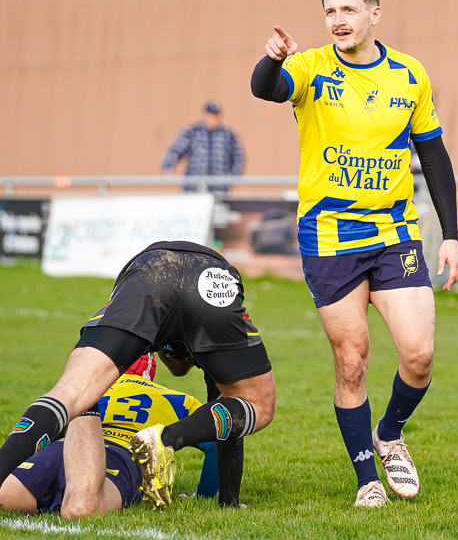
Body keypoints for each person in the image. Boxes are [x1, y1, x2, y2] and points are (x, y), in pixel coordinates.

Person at [250, 0, 458, 507]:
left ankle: (389, 433)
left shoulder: (409, 75)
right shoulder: (310, 66)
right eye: (329, 12)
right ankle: (368, 480)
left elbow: (433, 155)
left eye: (347, 10)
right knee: (353, 361)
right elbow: (266, 88)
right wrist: (273, 58)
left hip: (394, 234)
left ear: (374, 14)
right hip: (329, 239)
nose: (337, 20)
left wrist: (452, 235)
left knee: (419, 355)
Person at [0, 240, 276, 510]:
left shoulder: (149, 338)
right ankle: (167, 439)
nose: (179, 368)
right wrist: (227, 500)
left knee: (69, 393)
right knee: (257, 405)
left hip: (149, 269)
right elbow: (230, 415)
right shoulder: (195, 353)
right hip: (212, 278)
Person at [0, 354, 218, 517]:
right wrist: (204, 496)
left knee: (6, 499)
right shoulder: (179, 400)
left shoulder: (100, 390)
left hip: (65, 448)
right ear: (150, 373)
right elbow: (215, 445)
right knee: (82, 511)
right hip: (122, 458)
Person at [161, 101, 246, 194]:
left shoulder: (228, 135)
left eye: (215, 116)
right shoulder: (192, 133)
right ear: (204, 115)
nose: (213, 119)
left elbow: (239, 158)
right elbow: (175, 150)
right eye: (210, 115)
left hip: (219, 190)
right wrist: (168, 167)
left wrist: (231, 178)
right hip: (194, 189)